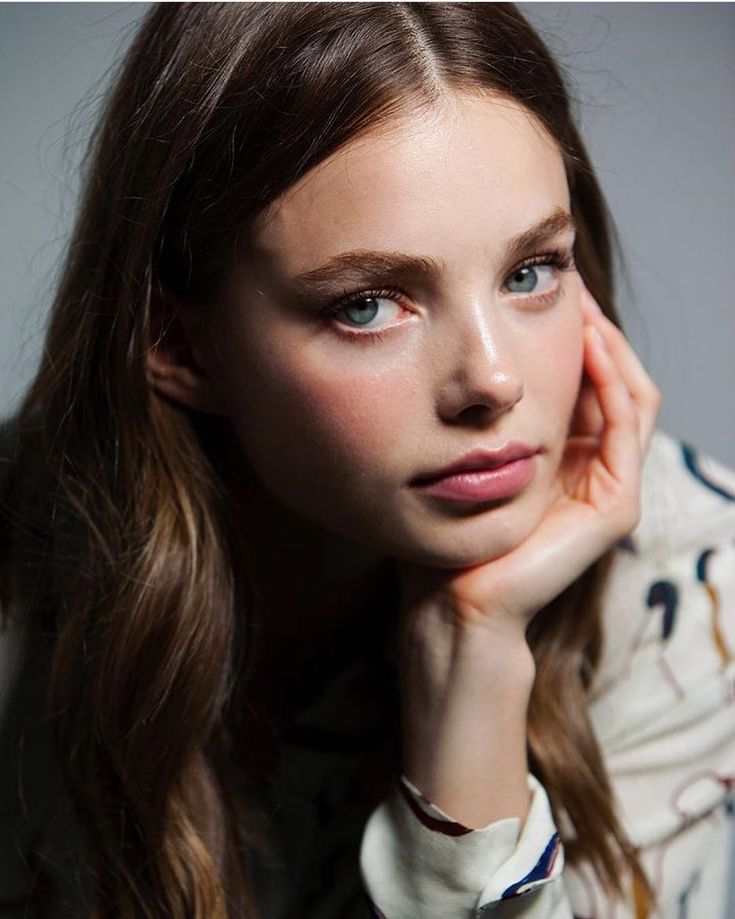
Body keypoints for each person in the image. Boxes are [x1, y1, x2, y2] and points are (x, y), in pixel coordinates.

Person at [0, 3, 733, 917]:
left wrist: (473, 653)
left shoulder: (691, 583)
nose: (492, 381)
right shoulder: (26, 573)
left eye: (530, 271)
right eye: (367, 305)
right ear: (179, 345)